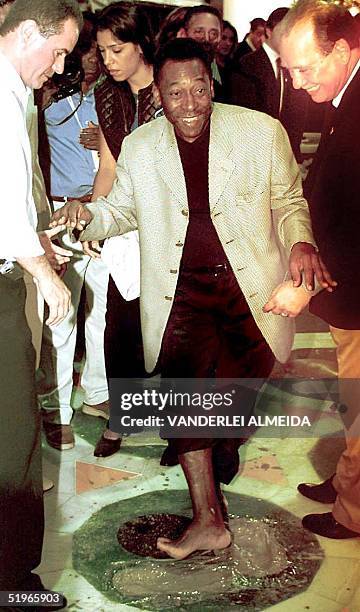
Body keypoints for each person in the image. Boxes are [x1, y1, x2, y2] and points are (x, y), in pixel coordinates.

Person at [51, 38, 335, 559]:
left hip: (251, 293)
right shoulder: (141, 146)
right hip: (179, 293)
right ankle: (208, 519)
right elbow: (121, 212)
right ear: (158, 93)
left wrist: (300, 241)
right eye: (175, 92)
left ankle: (220, 453)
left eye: (198, 89)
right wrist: (85, 215)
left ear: (212, 86)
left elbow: (289, 199)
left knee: (231, 404)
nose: (189, 103)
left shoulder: (259, 133)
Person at [0, 0, 81, 598]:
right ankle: (15, 583)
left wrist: (40, 240)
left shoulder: (17, 91)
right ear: (26, 32)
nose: (58, 67)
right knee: (15, 438)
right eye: (56, 52)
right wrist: (44, 273)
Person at [278, 0, 360, 540]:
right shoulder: (342, 94)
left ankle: (354, 514)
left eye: (306, 68)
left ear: (340, 50)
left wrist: (305, 287)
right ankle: (347, 478)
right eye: (291, 71)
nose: (300, 82)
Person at [88, 1, 161, 457]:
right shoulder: (107, 94)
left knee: (175, 331)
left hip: (173, 228)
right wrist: (95, 220)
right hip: (127, 231)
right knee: (120, 327)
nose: (108, 60)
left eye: (117, 50)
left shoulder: (174, 85)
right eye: (102, 51)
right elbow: (110, 166)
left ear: (142, 46)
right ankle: (121, 418)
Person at [37, 14, 110, 452]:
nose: (91, 60)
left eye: (98, 52)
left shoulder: (111, 97)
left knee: (100, 311)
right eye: (84, 51)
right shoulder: (40, 93)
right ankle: (59, 410)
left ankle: (98, 394)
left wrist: (108, 139)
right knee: (60, 318)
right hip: (58, 210)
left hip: (100, 211)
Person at [230, 7, 307, 161]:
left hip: (287, 154)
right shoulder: (248, 64)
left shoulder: (292, 63)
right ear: (269, 30)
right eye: (284, 32)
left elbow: (296, 113)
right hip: (257, 154)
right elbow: (246, 119)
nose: (289, 38)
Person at [215, 20, 238, 103]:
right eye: (223, 38)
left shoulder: (235, 66)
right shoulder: (208, 65)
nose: (228, 43)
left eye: (231, 40)